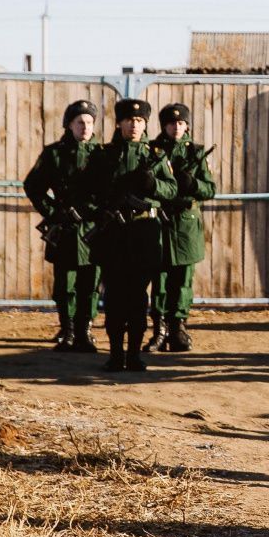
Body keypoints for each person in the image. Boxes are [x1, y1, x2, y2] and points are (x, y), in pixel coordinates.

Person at [82, 99, 178, 372]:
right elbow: (87, 190)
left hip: (144, 233)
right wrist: (101, 210)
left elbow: (172, 190)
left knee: (138, 297)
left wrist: (153, 184)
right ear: (119, 123)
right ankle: (115, 354)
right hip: (113, 234)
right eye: (129, 120)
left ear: (145, 124)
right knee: (113, 297)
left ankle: (134, 354)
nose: (134, 125)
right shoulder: (104, 155)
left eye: (139, 121)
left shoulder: (155, 155)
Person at [23, 99, 102, 352]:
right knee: (65, 283)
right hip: (66, 229)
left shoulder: (102, 154)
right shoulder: (54, 153)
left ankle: (85, 330)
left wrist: (94, 211)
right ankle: (67, 329)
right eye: (80, 122)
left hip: (92, 230)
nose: (85, 127)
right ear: (69, 125)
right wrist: (54, 212)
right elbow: (33, 186)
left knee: (90, 283)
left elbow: (111, 189)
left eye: (89, 122)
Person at [148, 103, 217, 354]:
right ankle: (159, 328)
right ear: (163, 125)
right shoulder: (152, 151)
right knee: (160, 280)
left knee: (183, 281)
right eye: (170, 123)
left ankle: (178, 327)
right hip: (159, 224)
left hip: (185, 226)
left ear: (187, 125)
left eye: (180, 123)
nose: (176, 127)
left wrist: (193, 184)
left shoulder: (195, 153)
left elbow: (210, 190)